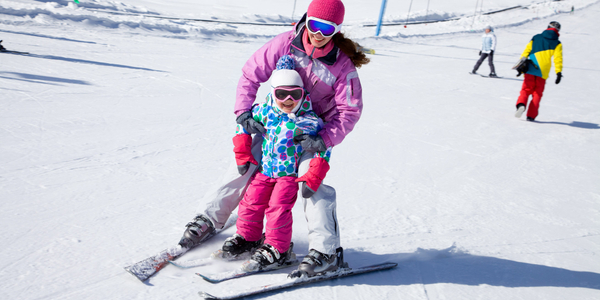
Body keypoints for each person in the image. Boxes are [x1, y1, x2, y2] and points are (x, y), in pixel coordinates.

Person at [178, 0, 369, 277]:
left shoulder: (341, 65)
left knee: (310, 183)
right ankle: (209, 218)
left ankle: (324, 251)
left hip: (310, 135)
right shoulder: (285, 43)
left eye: (327, 29)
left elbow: (349, 110)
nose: (319, 34)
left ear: (337, 30)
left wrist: (324, 139)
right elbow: (250, 74)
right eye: (315, 25)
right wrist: (244, 112)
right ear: (307, 20)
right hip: (273, 122)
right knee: (243, 164)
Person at [220, 55, 333, 272]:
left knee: (278, 209)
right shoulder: (265, 112)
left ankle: (278, 249)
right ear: (273, 93)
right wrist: (242, 150)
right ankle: (248, 237)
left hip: (288, 175)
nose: (288, 99)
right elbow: (242, 124)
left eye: (295, 94)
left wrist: (315, 172)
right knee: (250, 202)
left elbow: (323, 146)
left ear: (303, 94)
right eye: (282, 94)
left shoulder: (308, 120)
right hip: (265, 171)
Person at [514, 21, 563, 121]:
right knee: (537, 93)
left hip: (531, 66)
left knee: (526, 89)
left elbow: (526, 51)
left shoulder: (536, 37)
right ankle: (531, 115)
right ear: (558, 31)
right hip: (543, 71)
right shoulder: (557, 43)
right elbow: (558, 59)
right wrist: (558, 72)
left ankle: (521, 104)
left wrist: (520, 63)